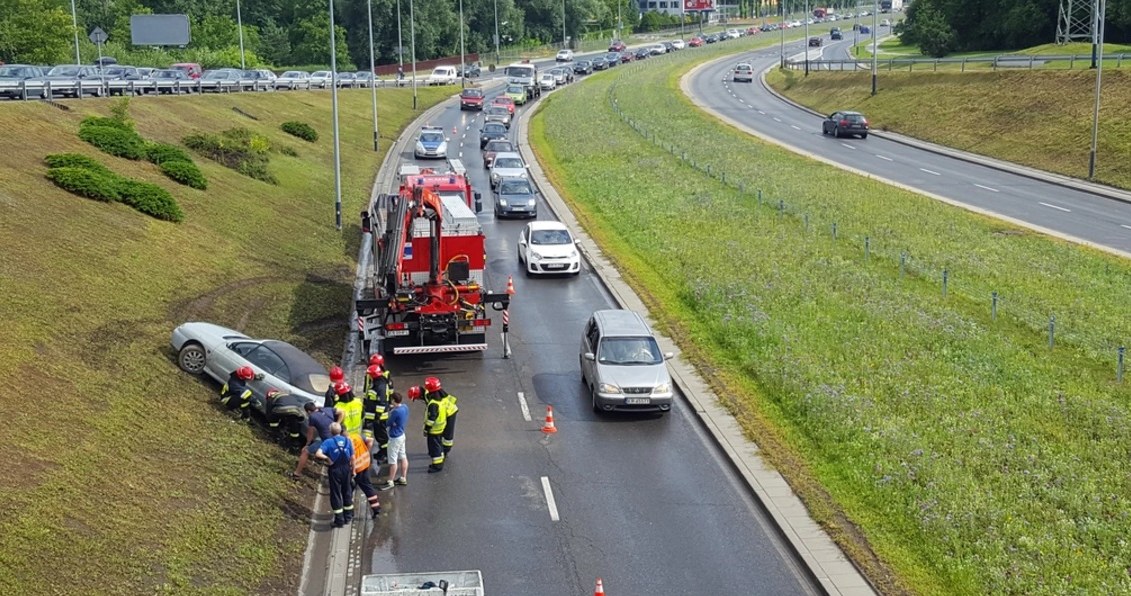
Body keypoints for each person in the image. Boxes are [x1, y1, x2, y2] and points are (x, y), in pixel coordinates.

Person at [315, 423, 354, 528]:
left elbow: (318, 454)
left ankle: (339, 520)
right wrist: (353, 470)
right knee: (347, 491)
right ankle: (348, 517)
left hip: (335, 469)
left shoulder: (328, 442)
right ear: (341, 430)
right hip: (346, 469)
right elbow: (352, 458)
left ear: (330, 431)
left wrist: (327, 459)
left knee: (336, 493)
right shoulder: (348, 441)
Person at [293, 400, 341, 479]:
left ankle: (297, 473)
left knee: (305, 452)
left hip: (327, 440)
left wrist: (307, 444)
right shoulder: (327, 409)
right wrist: (338, 423)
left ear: (308, 411)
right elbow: (342, 412)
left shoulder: (312, 417)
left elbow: (310, 432)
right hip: (336, 438)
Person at [379, 392, 409, 489]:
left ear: (393, 400)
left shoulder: (395, 412)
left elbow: (388, 423)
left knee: (393, 460)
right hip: (402, 435)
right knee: (403, 457)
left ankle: (390, 481)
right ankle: (403, 478)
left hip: (394, 437)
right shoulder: (405, 407)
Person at [349, 433, 382, 518]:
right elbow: (370, 440)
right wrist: (367, 451)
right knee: (367, 487)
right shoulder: (356, 436)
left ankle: (349, 512)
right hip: (364, 464)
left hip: (355, 469)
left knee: (348, 490)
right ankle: (376, 508)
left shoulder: (346, 442)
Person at [423, 376, 458, 457]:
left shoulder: (434, 400)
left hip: (450, 412)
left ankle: (445, 450)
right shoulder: (438, 392)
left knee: (448, 433)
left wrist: (427, 428)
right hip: (448, 410)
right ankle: (441, 449)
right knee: (443, 432)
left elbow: (432, 417)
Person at [422, 383, 447, 473]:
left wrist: (426, 429)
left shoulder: (433, 404)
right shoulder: (440, 400)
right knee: (439, 446)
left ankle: (437, 466)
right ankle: (439, 462)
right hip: (440, 428)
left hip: (434, 430)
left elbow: (431, 418)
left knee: (434, 448)